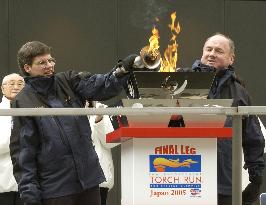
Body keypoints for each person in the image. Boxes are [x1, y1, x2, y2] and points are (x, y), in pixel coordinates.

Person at [9, 41, 137, 205]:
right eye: (42, 62)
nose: (49, 65)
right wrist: (30, 197)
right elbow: (23, 154)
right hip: (55, 189)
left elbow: (101, 86)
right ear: (27, 68)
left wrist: (121, 71)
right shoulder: (22, 101)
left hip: (89, 183)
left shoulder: (67, 80)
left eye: (50, 60)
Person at [191, 33, 265, 205]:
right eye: (208, 49)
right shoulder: (184, 82)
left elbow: (253, 137)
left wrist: (256, 178)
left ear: (231, 59)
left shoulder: (239, 92)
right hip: (186, 179)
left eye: (218, 51)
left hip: (224, 183)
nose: (211, 54)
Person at [87, 101, 119, 205]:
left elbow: (110, 142)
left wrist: (99, 120)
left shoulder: (103, 108)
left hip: (99, 180)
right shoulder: (68, 108)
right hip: (74, 181)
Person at [0, 73, 24, 205]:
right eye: (11, 83)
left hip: (29, 184)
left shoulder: (36, 110)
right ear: (2, 88)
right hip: (2, 181)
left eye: (20, 84)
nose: (16, 87)